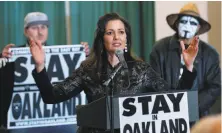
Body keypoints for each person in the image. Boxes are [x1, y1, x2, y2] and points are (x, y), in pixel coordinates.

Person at [30, 12, 198, 133]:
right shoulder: (87, 70)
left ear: (126, 39)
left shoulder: (141, 70)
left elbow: (175, 99)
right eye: (110, 33)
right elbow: (52, 96)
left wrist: (188, 68)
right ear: (102, 39)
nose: (116, 37)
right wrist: (39, 66)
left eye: (121, 32)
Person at [0, 12, 89, 129]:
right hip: (23, 121)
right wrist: (2, 58)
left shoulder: (63, 54)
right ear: (26, 31)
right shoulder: (11, 54)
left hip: (55, 120)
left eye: (43, 27)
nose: (40, 32)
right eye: (34, 27)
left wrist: (85, 56)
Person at [149, 2, 221, 118]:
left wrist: (192, 108)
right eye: (183, 21)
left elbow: (214, 88)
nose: (187, 26)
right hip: (167, 117)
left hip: (199, 118)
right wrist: (172, 108)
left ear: (198, 27)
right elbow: (154, 84)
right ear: (177, 23)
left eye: (192, 23)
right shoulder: (159, 49)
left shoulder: (210, 54)